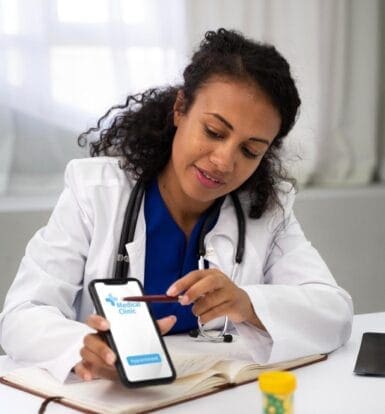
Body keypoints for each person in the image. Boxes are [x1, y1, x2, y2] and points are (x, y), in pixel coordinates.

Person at [0, 28, 353, 383]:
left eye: (250, 151)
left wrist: (248, 304)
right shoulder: (96, 192)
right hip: (109, 398)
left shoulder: (265, 211)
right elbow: (21, 315)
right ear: (181, 109)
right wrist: (82, 345)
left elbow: (334, 313)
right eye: (214, 132)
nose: (224, 161)